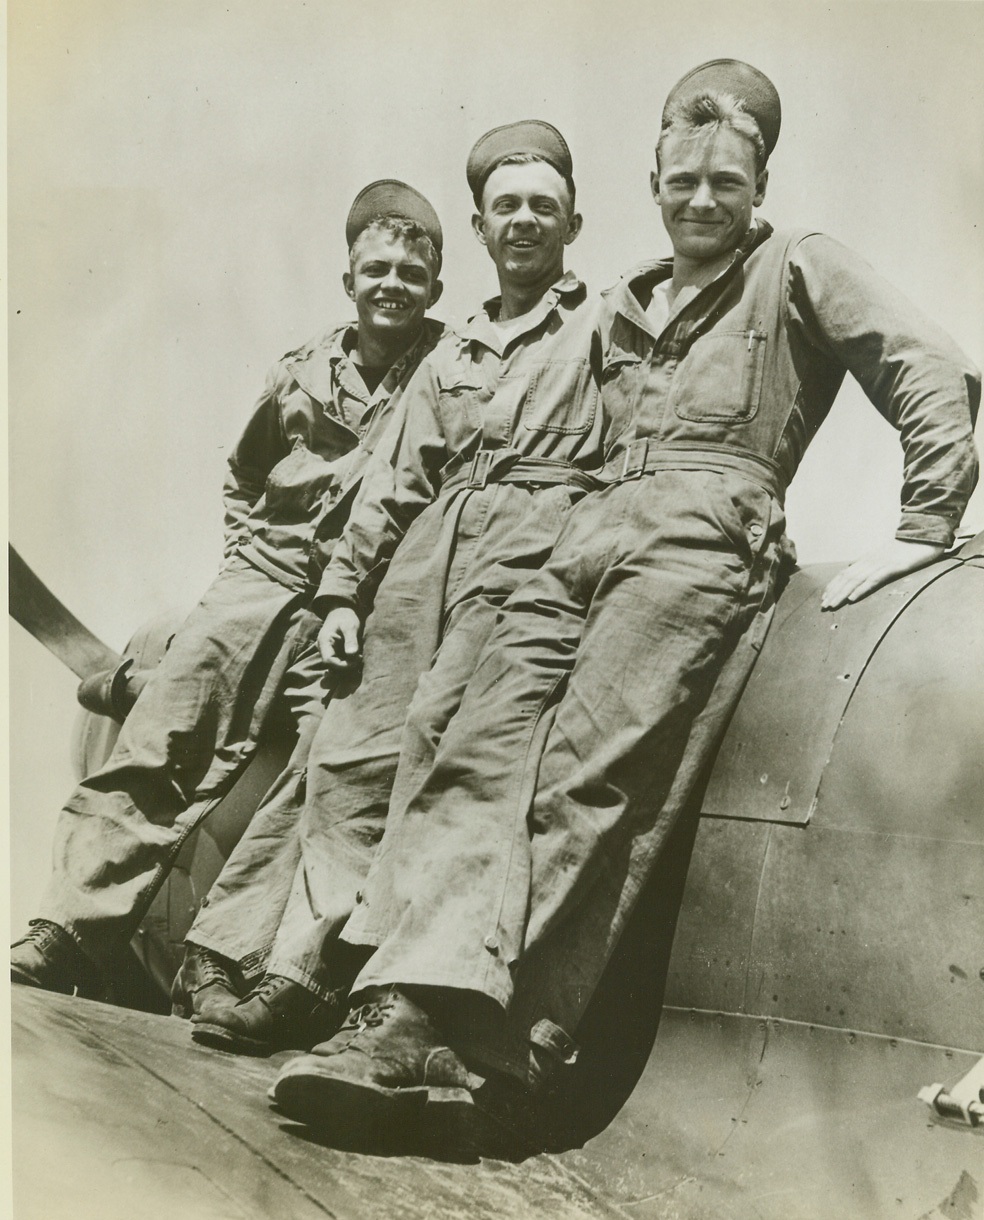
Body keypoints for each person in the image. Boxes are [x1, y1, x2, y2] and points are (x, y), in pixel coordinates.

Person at [267, 61, 981, 1138]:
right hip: (576, 537)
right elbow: (512, 434)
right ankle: (402, 1010)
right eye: (682, 180)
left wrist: (926, 522)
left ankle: (487, 1041)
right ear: (654, 180)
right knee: (477, 749)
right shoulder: (620, 303)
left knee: (587, 771)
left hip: (704, 527)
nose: (701, 201)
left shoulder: (797, 266)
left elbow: (927, 363)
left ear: (759, 186)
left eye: (726, 184)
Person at [179, 120, 611, 1057]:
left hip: (533, 547)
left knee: (440, 745)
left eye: (544, 205)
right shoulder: (449, 355)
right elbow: (391, 484)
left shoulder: (606, 326)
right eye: (506, 209)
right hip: (425, 554)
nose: (525, 222)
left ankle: (336, 979)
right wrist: (340, 595)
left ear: (575, 221)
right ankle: (289, 967)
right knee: (350, 749)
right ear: (482, 229)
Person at [10, 181, 446, 1007]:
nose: (393, 284)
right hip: (265, 578)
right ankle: (68, 926)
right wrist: (247, 561)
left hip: (359, 603)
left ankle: (222, 959)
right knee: (161, 732)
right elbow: (246, 474)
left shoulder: (450, 373)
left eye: (411, 275)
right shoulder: (299, 372)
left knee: (325, 774)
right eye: (377, 269)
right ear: (348, 282)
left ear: (435, 291)